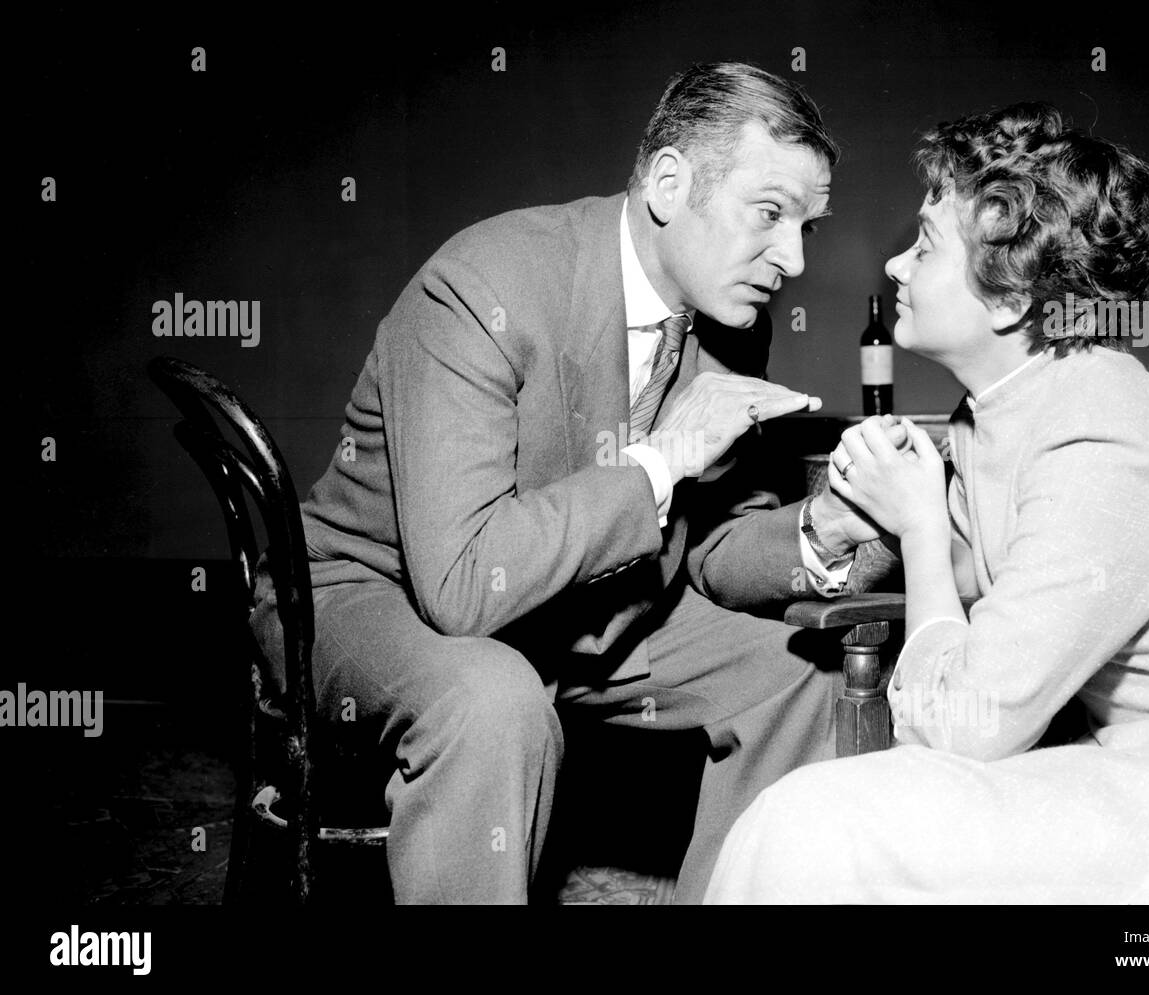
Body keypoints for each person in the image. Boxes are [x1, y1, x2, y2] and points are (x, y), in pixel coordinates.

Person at [251, 62, 891, 904]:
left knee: (797, 663)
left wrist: (822, 532)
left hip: (588, 601)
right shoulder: (482, 288)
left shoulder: (733, 321)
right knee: (492, 700)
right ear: (669, 183)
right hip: (377, 591)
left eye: (808, 225)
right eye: (769, 214)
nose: (793, 258)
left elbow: (716, 544)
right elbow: (463, 588)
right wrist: (662, 459)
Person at [704, 103, 1149, 904]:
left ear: (1012, 298)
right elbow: (966, 598)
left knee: (816, 827)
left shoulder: (1103, 431)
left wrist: (917, 521)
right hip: (1122, 761)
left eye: (925, 246)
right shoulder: (999, 410)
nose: (894, 268)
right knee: (812, 821)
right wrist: (873, 500)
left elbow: (959, 727)